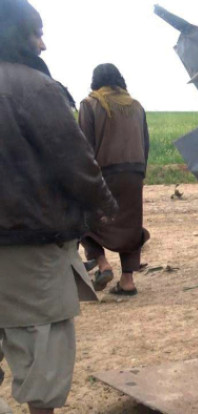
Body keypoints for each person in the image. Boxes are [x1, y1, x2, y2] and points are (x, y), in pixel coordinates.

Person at [0, 2, 118, 413]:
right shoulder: (35, 88)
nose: (43, 44)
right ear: (16, 34)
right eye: (36, 33)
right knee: (42, 343)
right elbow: (75, 162)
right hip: (28, 240)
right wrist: (102, 204)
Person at [78, 64, 150, 296]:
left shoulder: (90, 105)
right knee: (131, 224)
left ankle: (102, 264)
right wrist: (140, 173)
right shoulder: (136, 106)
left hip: (102, 174)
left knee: (88, 221)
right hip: (134, 173)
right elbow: (145, 143)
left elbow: (84, 147)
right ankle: (127, 280)